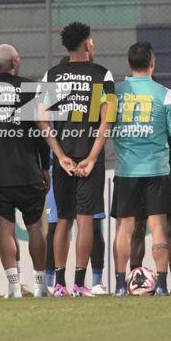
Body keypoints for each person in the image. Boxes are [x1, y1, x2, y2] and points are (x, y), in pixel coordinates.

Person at [37, 22, 114, 297]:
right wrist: (92, 158)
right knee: (85, 220)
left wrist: (59, 156)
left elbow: (41, 117)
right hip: (89, 156)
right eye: (91, 42)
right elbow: (107, 119)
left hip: (64, 159)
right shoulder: (102, 75)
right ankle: (81, 284)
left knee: (64, 220)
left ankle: (59, 285)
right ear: (86, 44)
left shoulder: (52, 74)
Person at [0, 44, 49, 298]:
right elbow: (40, 131)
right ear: (15, 61)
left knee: (5, 230)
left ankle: (13, 286)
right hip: (28, 171)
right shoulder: (29, 88)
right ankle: (39, 286)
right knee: (36, 228)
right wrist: (45, 166)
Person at [110, 42, 171, 296]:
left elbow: (106, 128)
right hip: (156, 169)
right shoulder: (165, 93)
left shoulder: (116, 93)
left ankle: (120, 285)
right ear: (153, 61)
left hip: (126, 170)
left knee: (125, 229)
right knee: (158, 228)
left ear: (129, 63)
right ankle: (162, 285)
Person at [129, 138, 171, 294]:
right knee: (137, 230)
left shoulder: (166, 113)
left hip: (163, 177)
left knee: (168, 229)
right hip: (135, 176)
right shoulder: (130, 115)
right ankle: (135, 281)